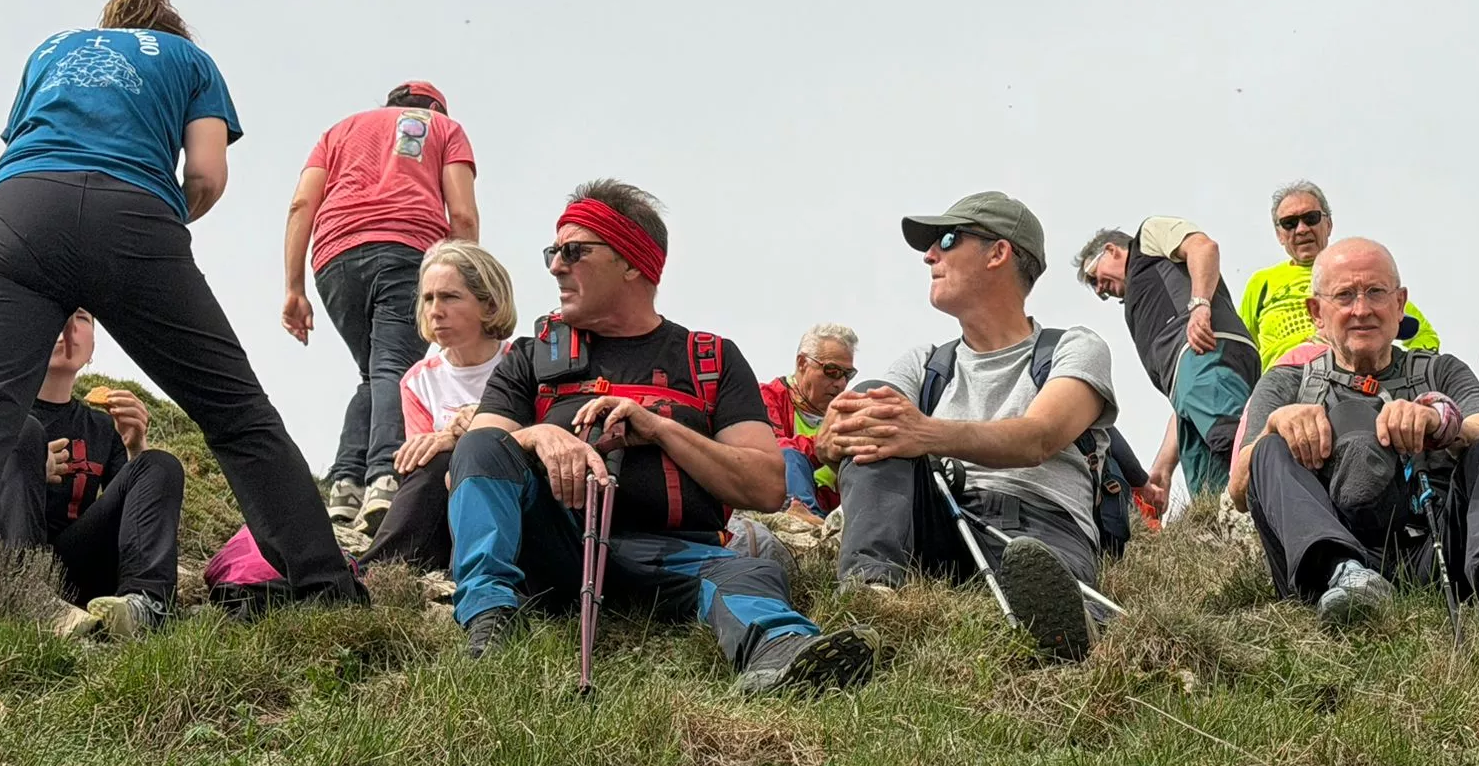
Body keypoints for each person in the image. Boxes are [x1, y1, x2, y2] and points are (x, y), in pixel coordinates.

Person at [0, 0, 365, 632]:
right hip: (129, 212)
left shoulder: (52, 49)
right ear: (172, 30)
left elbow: (30, 141)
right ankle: (328, 592)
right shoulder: (190, 61)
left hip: (11, 218)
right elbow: (208, 175)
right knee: (237, 414)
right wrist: (146, 233)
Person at [447, 181, 874, 694]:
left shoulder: (710, 359)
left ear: (632, 262)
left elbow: (765, 486)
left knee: (745, 574)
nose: (556, 266)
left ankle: (783, 653)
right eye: (553, 252)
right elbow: (472, 462)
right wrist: (539, 435)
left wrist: (661, 428)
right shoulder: (532, 356)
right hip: (555, 549)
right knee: (479, 443)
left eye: (574, 251)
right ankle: (491, 622)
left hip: (678, 554)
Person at [819, 191, 1116, 660]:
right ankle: (871, 595)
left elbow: (1039, 437)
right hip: (937, 518)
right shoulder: (924, 362)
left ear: (999, 253)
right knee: (879, 403)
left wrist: (923, 433)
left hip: (1040, 523)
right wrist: (832, 437)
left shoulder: (1074, 348)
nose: (929, 255)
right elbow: (855, 425)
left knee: (1037, 573)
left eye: (948, 240)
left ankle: (1068, 625)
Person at [1230, 239, 1479, 628]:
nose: (1362, 309)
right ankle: (1342, 572)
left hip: (1436, 544)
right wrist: (1277, 424)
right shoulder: (1286, 382)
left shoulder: (1441, 371)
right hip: (1333, 553)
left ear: (1400, 303)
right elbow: (1239, 490)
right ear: (1316, 312)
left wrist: (1440, 421)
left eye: (1375, 292)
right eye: (1345, 295)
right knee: (1269, 448)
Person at [282, 82, 479, 531]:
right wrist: (469, 281)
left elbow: (300, 205)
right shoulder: (445, 128)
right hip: (408, 248)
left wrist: (294, 288)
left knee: (374, 372)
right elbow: (463, 214)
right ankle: (386, 478)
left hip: (334, 259)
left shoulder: (339, 130)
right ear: (434, 108)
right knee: (394, 367)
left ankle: (346, 484)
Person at [0, 310, 186, 638]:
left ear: (92, 347)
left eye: (82, 318)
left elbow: (132, 510)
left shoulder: (102, 426)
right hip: (3, 564)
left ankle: (146, 607)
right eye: (57, 313)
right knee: (22, 431)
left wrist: (135, 447)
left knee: (159, 463)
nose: (68, 328)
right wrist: (29, 464)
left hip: (73, 567)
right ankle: (26, 598)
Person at [356, 242, 517, 574]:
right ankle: (378, 571)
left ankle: (378, 568)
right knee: (432, 463)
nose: (435, 310)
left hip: (512, 497)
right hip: (447, 501)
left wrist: (472, 429)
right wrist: (452, 436)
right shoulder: (417, 381)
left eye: (449, 297)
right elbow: (422, 457)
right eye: (428, 299)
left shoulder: (519, 362)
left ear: (488, 304)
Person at [1076, 217, 1258, 501]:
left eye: (1093, 276)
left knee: (1231, 441)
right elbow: (1186, 395)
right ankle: (1241, 534)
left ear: (1111, 250)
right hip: (1191, 375)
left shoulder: (1147, 239)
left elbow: (1203, 247)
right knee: (1209, 487)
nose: (1099, 290)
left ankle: (1280, 505)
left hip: (1206, 349)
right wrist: (1163, 467)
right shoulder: (1141, 303)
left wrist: (1200, 306)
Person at [1239, 180, 1439, 372]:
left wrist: (1408, 374)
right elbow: (1241, 347)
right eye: (1289, 223)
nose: (1301, 229)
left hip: (1345, 379)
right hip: (1286, 382)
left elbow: (1424, 334)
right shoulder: (1262, 282)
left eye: (1311, 218)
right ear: (1279, 235)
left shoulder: (1357, 273)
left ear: (1328, 224)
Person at [759, 324, 858, 520]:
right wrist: (821, 445)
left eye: (848, 374)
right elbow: (766, 453)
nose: (841, 383)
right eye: (832, 371)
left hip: (834, 509)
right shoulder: (766, 398)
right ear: (802, 363)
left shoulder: (849, 414)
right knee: (787, 454)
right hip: (778, 499)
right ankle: (803, 514)